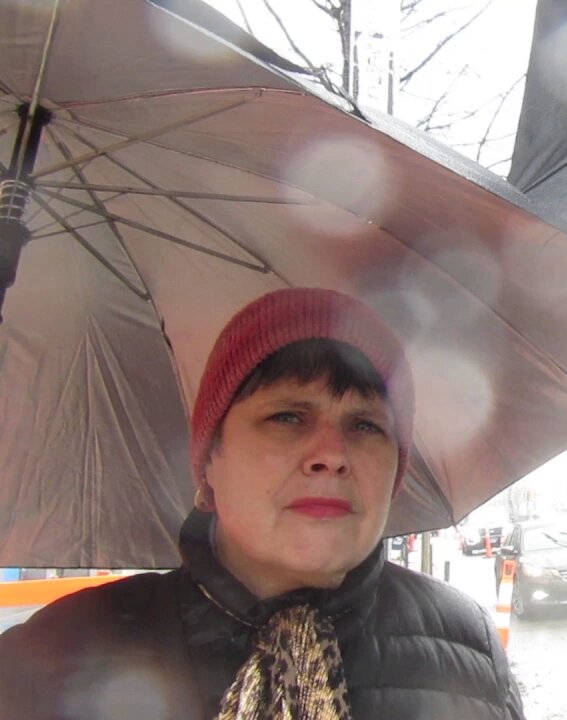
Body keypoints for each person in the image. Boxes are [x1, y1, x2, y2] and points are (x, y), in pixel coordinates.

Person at [0, 287, 525, 720]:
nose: (331, 455)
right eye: (288, 417)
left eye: (365, 425)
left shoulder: (470, 656)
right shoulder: (47, 664)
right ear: (209, 461)